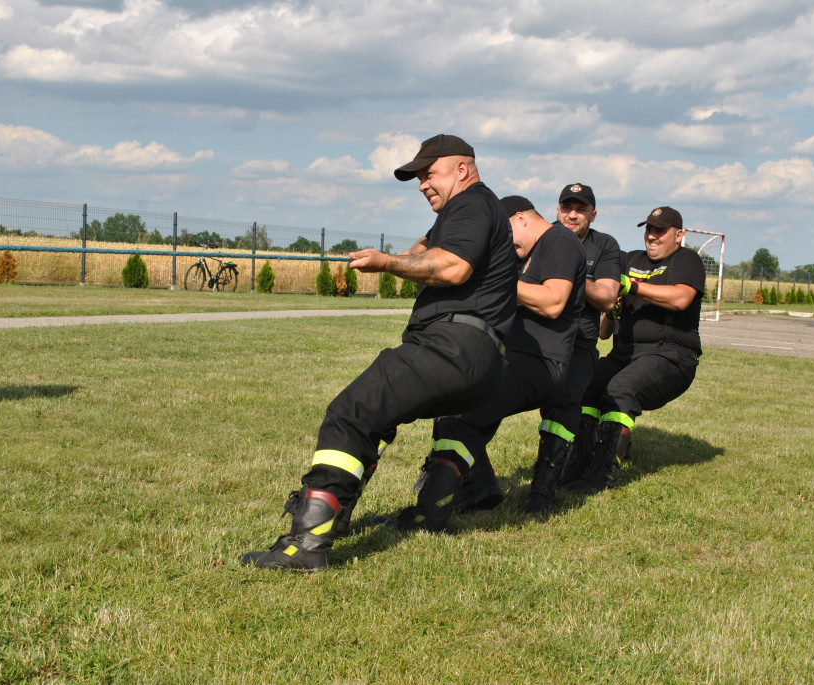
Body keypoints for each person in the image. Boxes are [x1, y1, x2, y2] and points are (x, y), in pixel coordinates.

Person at [240, 134, 518, 571]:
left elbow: (454, 266)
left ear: (462, 169)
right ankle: (342, 515)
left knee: (353, 409)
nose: (423, 184)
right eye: (418, 178)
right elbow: (429, 250)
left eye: (430, 173)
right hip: (481, 359)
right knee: (378, 416)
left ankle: (307, 545)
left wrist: (385, 263)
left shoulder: (472, 204)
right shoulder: (467, 212)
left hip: (453, 346)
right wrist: (405, 254)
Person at [383, 195, 586, 529]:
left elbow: (552, 301)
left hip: (541, 362)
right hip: (515, 356)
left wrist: (497, 278)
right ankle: (479, 487)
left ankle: (431, 513)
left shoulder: (558, 240)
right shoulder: (527, 250)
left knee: (460, 414)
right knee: (453, 401)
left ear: (520, 218)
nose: (505, 247)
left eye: (504, 235)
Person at [455, 183, 622, 514]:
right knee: (479, 397)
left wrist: (566, 273)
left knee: (564, 408)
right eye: (566, 207)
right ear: (556, 209)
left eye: (580, 208)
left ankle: (543, 491)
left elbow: (606, 296)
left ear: (593, 213)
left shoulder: (604, 246)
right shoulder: (533, 240)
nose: (572, 214)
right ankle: (472, 477)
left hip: (579, 344)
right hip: (527, 340)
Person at [564, 206, 704, 494]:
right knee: (585, 385)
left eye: (660, 231)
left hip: (672, 356)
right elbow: (604, 334)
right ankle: (578, 464)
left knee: (621, 389)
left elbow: (680, 299)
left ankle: (603, 475)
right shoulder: (629, 259)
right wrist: (611, 310)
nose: (652, 236)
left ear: (679, 235)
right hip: (624, 355)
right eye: (649, 229)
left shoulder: (687, 260)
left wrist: (632, 286)